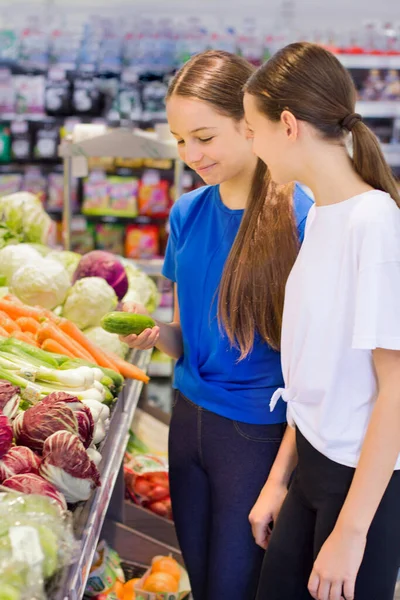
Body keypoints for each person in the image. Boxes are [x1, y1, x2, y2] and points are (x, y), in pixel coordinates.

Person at [121, 50, 312, 600]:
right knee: (203, 585)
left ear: (249, 124)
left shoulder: (300, 217)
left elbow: (314, 371)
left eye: (204, 137)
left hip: (255, 437)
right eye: (180, 140)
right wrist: (157, 338)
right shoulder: (187, 213)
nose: (190, 155)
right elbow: (185, 337)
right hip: (189, 425)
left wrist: (279, 481)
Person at [243, 41, 400, 600]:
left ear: (288, 125)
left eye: (252, 129)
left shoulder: (374, 224)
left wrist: (351, 532)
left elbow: (396, 390)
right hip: (312, 468)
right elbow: (318, 378)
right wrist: (279, 482)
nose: (252, 145)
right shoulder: (324, 217)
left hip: (357, 489)